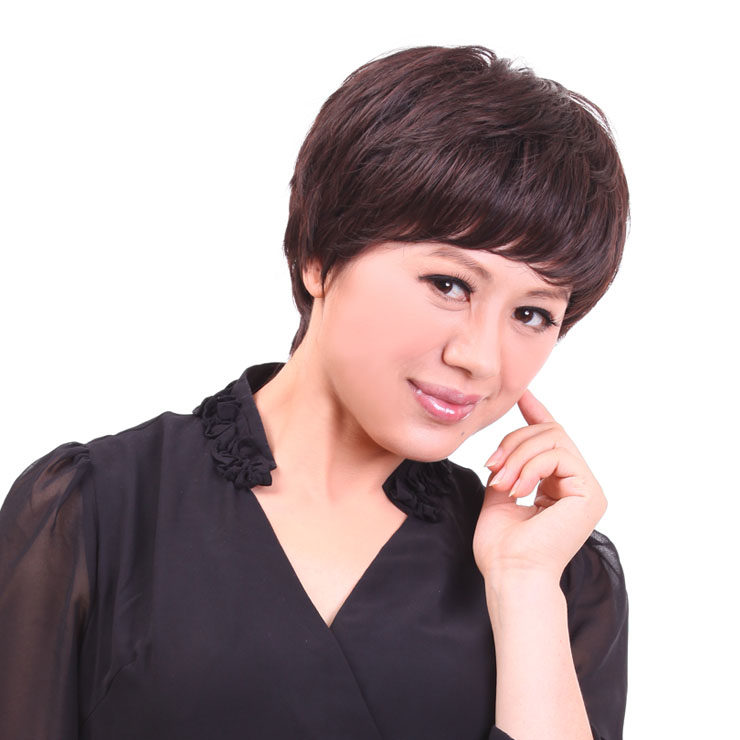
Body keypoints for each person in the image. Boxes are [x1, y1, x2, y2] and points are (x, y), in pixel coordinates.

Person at [0, 45, 629, 740]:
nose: (480, 358)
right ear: (320, 257)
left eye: (532, 314)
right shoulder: (98, 510)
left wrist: (526, 585)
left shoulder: (554, 574)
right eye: (449, 284)